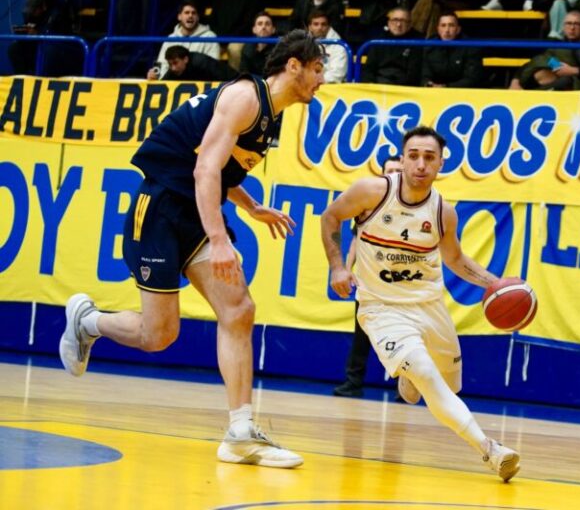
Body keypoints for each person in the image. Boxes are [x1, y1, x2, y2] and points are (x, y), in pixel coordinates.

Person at [59, 30, 325, 469]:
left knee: (238, 309)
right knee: (158, 335)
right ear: (293, 66)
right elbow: (204, 169)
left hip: (193, 212)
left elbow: (221, 170)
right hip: (162, 205)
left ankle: (239, 431)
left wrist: (252, 206)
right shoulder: (245, 97)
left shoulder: (270, 118)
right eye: (317, 69)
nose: (322, 80)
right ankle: (88, 321)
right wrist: (219, 239)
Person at [320, 125, 521, 481]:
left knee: (444, 385)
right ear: (402, 158)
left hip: (429, 307)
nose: (420, 164)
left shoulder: (443, 211)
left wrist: (498, 285)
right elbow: (331, 216)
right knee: (428, 377)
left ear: (441, 163)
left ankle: (408, 378)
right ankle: (491, 450)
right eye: (413, 156)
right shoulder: (373, 191)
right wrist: (337, 265)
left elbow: (456, 260)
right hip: (381, 308)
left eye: (429, 157)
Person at [333, 156, 403, 398]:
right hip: (369, 280)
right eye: (390, 170)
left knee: (403, 336)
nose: (394, 173)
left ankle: (405, 387)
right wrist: (346, 267)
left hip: (400, 282)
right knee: (362, 334)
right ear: (382, 173)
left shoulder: (412, 204)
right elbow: (355, 239)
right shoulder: (369, 202)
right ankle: (353, 382)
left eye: (398, 170)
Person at [509, 10, 580, 90]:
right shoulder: (556, 44)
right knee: (540, 67)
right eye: (569, 23)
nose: (572, 28)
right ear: (563, 27)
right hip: (558, 80)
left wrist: (573, 70)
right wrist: (515, 80)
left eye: (576, 24)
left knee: (565, 80)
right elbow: (536, 61)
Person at [148, 0, 220, 80]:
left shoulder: (210, 37)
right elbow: (162, 65)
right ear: (179, 16)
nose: (190, 16)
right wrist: (156, 75)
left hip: (199, 84)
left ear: (198, 17)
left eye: (193, 13)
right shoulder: (171, 38)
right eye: (187, 12)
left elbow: (213, 68)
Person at [361, 7, 423, 86]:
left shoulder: (418, 41)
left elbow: (414, 73)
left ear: (410, 24)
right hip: (379, 85)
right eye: (395, 20)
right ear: (389, 23)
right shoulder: (378, 40)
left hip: (405, 88)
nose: (398, 24)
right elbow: (369, 69)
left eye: (403, 21)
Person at [421, 12, 483, 89]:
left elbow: (472, 79)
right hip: (434, 91)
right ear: (438, 29)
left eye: (451, 25)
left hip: (462, 93)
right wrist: (428, 84)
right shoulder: (429, 46)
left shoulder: (471, 47)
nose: (447, 30)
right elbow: (424, 75)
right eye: (443, 25)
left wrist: (446, 87)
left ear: (458, 30)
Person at [306, 10, 349, 83]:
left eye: (323, 24)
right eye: (316, 24)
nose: (320, 27)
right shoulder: (302, 43)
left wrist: (314, 81)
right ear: (309, 27)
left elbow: (337, 74)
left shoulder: (339, 46)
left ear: (329, 26)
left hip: (330, 88)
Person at [159, 45, 238, 81]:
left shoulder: (202, 63)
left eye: (175, 63)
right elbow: (162, 85)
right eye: (170, 64)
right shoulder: (174, 70)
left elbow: (223, 77)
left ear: (185, 59)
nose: (173, 68)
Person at [240, 11, 277, 77]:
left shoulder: (279, 49)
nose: (263, 27)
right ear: (254, 29)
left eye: (267, 24)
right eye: (260, 24)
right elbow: (244, 74)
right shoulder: (247, 49)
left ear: (273, 29)